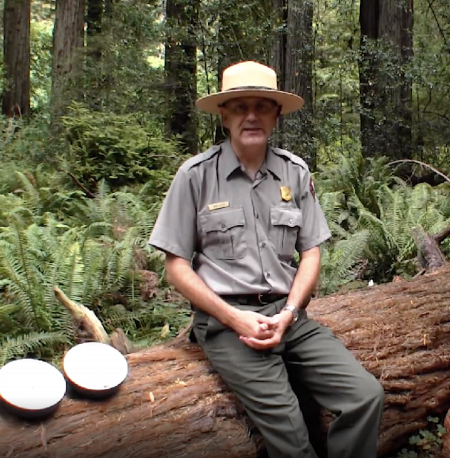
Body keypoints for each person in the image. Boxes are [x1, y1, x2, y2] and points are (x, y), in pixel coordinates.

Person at [148, 61, 385, 458]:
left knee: (365, 396)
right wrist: (233, 317)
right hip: (228, 326)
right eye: (240, 107)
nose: (251, 116)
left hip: (289, 318)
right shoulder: (195, 176)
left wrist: (290, 312)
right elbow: (176, 267)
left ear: (276, 115)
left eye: (262, 106)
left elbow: (310, 252)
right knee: (293, 442)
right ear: (224, 116)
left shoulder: (294, 173)